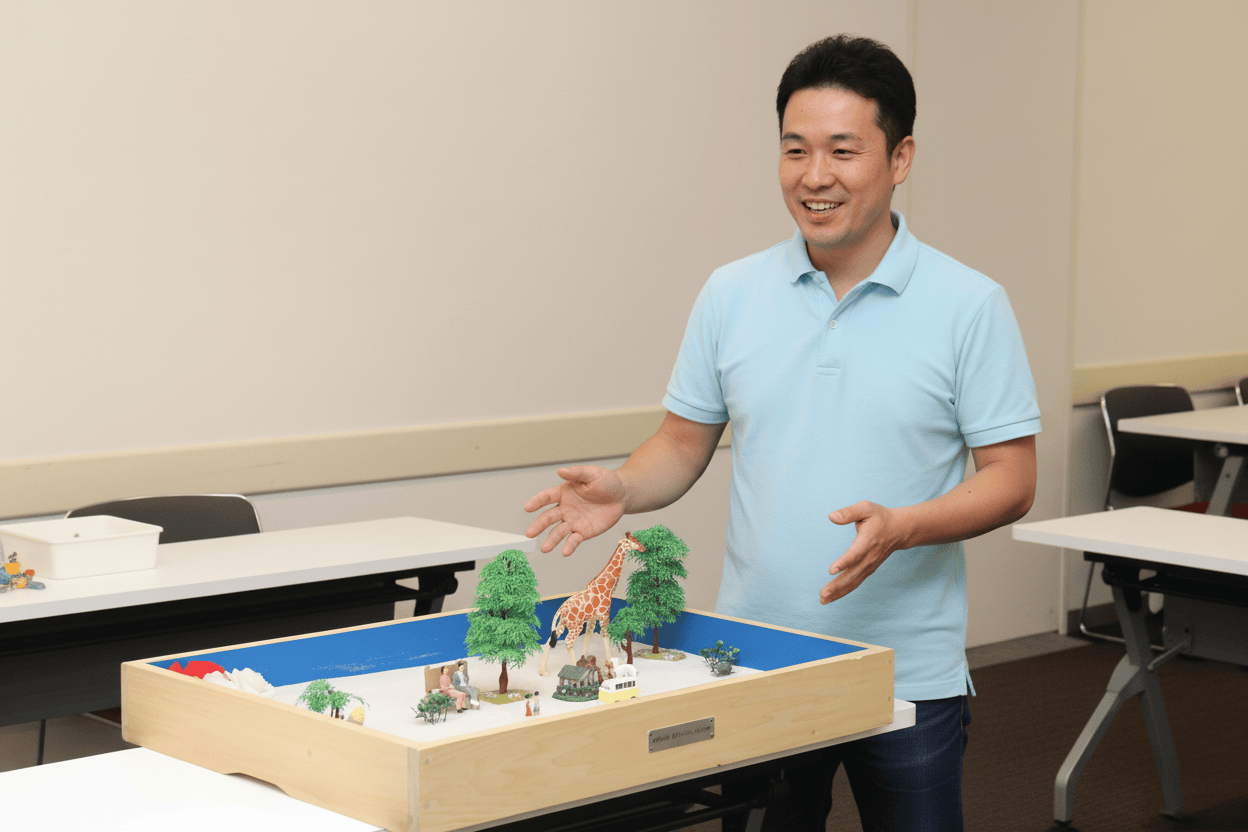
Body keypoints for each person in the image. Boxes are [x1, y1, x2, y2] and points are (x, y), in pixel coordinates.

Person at [524, 34, 1040, 831]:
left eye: (843, 150)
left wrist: (904, 527)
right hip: (756, 658)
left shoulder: (970, 305)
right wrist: (624, 487)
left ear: (900, 158)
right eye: (795, 150)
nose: (814, 175)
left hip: (907, 669)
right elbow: (682, 443)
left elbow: (1013, 478)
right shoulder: (731, 293)